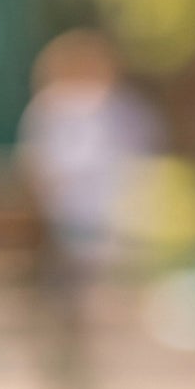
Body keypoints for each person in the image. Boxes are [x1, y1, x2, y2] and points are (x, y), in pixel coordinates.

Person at [16, 27, 157, 268]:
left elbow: (144, 160)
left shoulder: (126, 107)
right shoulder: (50, 107)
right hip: (68, 217)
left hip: (118, 217)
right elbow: (38, 165)